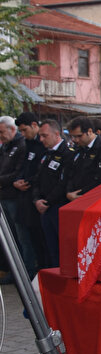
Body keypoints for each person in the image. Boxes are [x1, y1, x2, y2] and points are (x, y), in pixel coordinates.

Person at [32, 120, 75, 268]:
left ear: (56, 134)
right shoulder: (46, 154)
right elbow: (37, 179)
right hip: (44, 207)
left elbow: (63, 183)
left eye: (45, 135)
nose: (41, 139)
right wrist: (37, 199)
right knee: (50, 248)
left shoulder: (67, 154)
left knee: (61, 249)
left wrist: (47, 202)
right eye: (40, 136)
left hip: (58, 206)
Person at [13, 112, 45, 274]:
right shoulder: (28, 144)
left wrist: (29, 182)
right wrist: (18, 180)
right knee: (27, 238)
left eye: (25, 130)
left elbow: (41, 173)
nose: (23, 134)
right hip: (25, 198)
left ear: (34, 125)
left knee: (40, 241)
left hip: (38, 199)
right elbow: (23, 167)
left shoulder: (42, 144)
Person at [0, 116, 27, 283]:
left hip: (14, 198)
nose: (0, 135)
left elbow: (17, 173)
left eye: (2, 132)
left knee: (18, 238)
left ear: (12, 130)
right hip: (5, 196)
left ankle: (20, 272)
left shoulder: (21, 146)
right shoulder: (6, 146)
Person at [65, 116, 101, 200]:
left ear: (90, 131)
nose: (76, 140)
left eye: (79, 136)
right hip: (74, 197)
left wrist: (82, 194)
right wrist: (69, 192)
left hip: (92, 198)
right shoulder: (78, 149)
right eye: (73, 137)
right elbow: (70, 173)